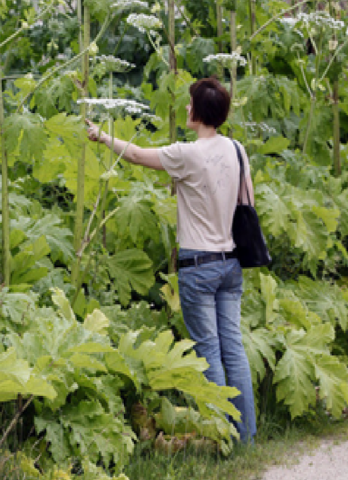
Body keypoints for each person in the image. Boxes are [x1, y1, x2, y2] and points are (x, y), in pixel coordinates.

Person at [85, 77, 257, 443]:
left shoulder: (188, 153)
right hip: (231, 263)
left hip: (199, 266)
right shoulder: (238, 150)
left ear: (197, 111)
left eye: (191, 103)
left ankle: (222, 435)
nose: (187, 108)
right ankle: (247, 437)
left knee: (209, 350)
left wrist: (102, 136)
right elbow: (248, 203)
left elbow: (134, 155)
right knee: (234, 347)